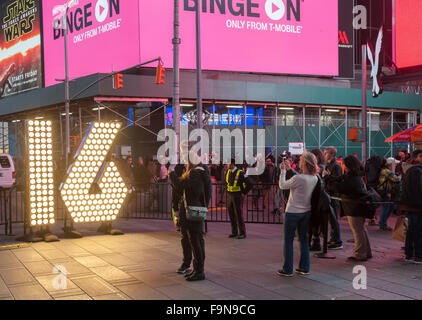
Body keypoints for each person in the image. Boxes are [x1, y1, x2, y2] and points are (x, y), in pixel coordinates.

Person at [169, 155, 212, 281]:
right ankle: (197, 269)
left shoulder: (196, 173)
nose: (185, 164)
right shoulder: (199, 173)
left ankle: (199, 272)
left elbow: (179, 185)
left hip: (193, 213)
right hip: (194, 211)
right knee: (196, 241)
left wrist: (171, 173)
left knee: (195, 242)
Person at [277, 152, 318, 277]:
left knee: (288, 241)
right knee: (303, 240)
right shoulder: (315, 178)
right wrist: (290, 170)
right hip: (306, 212)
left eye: (301, 160)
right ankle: (304, 267)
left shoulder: (299, 178)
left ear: (304, 163)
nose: (299, 162)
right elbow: (300, 178)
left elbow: (282, 185)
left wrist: (283, 171)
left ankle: (288, 269)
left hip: (293, 212)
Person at [327, 156, 373, 261]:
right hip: (357, 206)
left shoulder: (353, 178)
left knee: (357, 231)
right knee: (361, 229)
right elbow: (339, 180)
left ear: (349, 166)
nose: (343, 166)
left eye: (345, 164)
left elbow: (339, 187)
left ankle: (359, 254)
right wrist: (329, 177)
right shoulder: (356, 176)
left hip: (354, 207)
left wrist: (327, 179)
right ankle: (367, 252)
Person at [401, 150, 422, 264]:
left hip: (411, 205)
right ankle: (417, 255)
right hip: (416, 206)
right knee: (416, 231)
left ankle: (409, 254)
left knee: (412, 231)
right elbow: (418, 190)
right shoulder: (416, 171)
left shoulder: (411, 169)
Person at [226, 158, 252, 239]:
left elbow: (250, 184)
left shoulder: (240, 173)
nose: (226, 165)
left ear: (232, 164)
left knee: (238, 215)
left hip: (237, 196)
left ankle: (242, 233)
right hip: (230, 196)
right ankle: (234, 232)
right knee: (231, 215)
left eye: (228, 163)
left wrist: (244, 193)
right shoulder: (228, 172)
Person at [323, 146, 343, 250]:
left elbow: (337, 181)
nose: (324, 155)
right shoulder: (329, 165)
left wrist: (326, 177)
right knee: (331, 218)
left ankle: (337, 240)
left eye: (326, 153)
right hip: (328, 193)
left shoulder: (336, 166)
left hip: (333, 195)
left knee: (334, 218)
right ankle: (333, 238)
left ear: (332, 154)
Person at [309, 149, 327, 251]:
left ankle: (316, 242)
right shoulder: (321, 167)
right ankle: (315, 241)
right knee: (315, 221)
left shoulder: (319, 168)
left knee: (315, 221)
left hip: (317, 198)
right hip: (316, 198)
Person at [377, 157, 400, 231]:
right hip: (385, 193)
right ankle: (382, 225)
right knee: (386, 208)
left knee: (389, 208)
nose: (396, 165)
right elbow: (396, 179)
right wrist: (400, 176)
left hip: (386, 192)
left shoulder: (385, 170)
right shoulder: (386, 171)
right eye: (395, 164)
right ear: (390, 164)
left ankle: (383, 223)